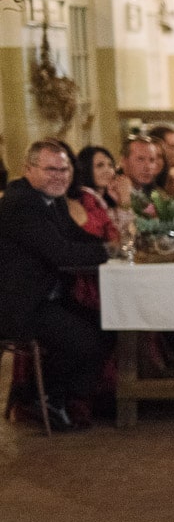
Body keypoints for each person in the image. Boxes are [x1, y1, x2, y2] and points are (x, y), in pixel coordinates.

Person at [0, 140, 110, 430]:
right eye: (51, 169)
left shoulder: (51, 199)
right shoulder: (22, 203)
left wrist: (112, 246)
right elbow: (61, 252)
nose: (60, 176)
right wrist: (108, 253)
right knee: (85, 339)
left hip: (45, 299)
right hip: (20, 305)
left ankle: (56, 397)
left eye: (64, 169)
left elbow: (76, 238)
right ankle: (48, 399)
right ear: (28, 169)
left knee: (109, 325)